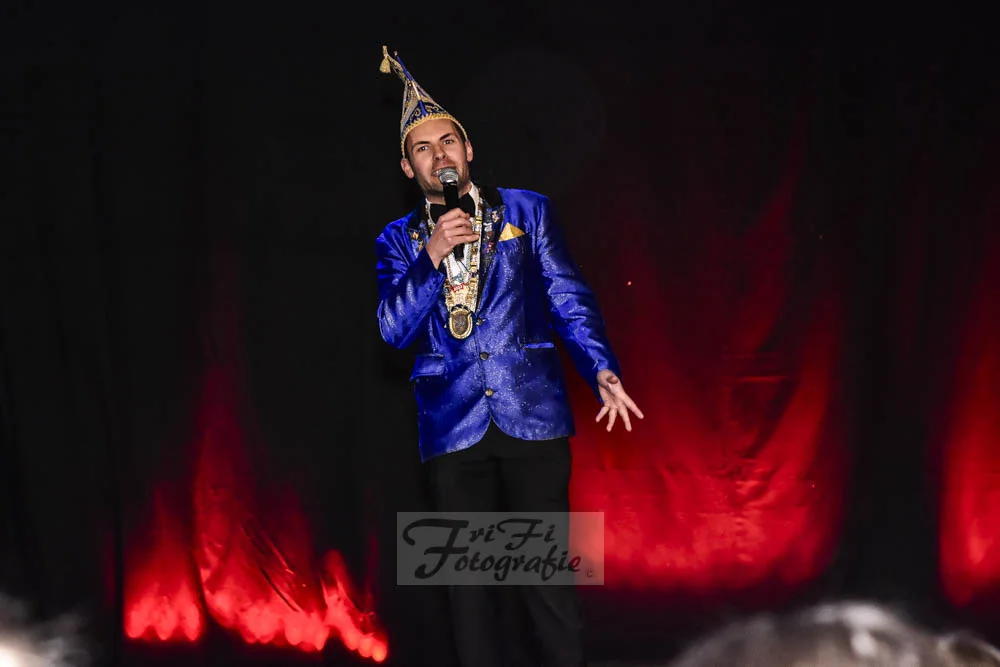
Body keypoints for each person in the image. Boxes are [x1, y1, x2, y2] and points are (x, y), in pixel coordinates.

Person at [374, 46, 642, 667]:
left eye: (448, 141)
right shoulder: (397, 240)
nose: (440, 155)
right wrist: (431, 257)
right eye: (423, 148)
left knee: (545, 579)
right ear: (408, 167)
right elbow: (391, 330)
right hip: (450, 420)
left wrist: (600, 366)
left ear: (468, 150)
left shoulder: (528, 209)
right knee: (466, 590)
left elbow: (567, 294)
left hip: (531, 406)